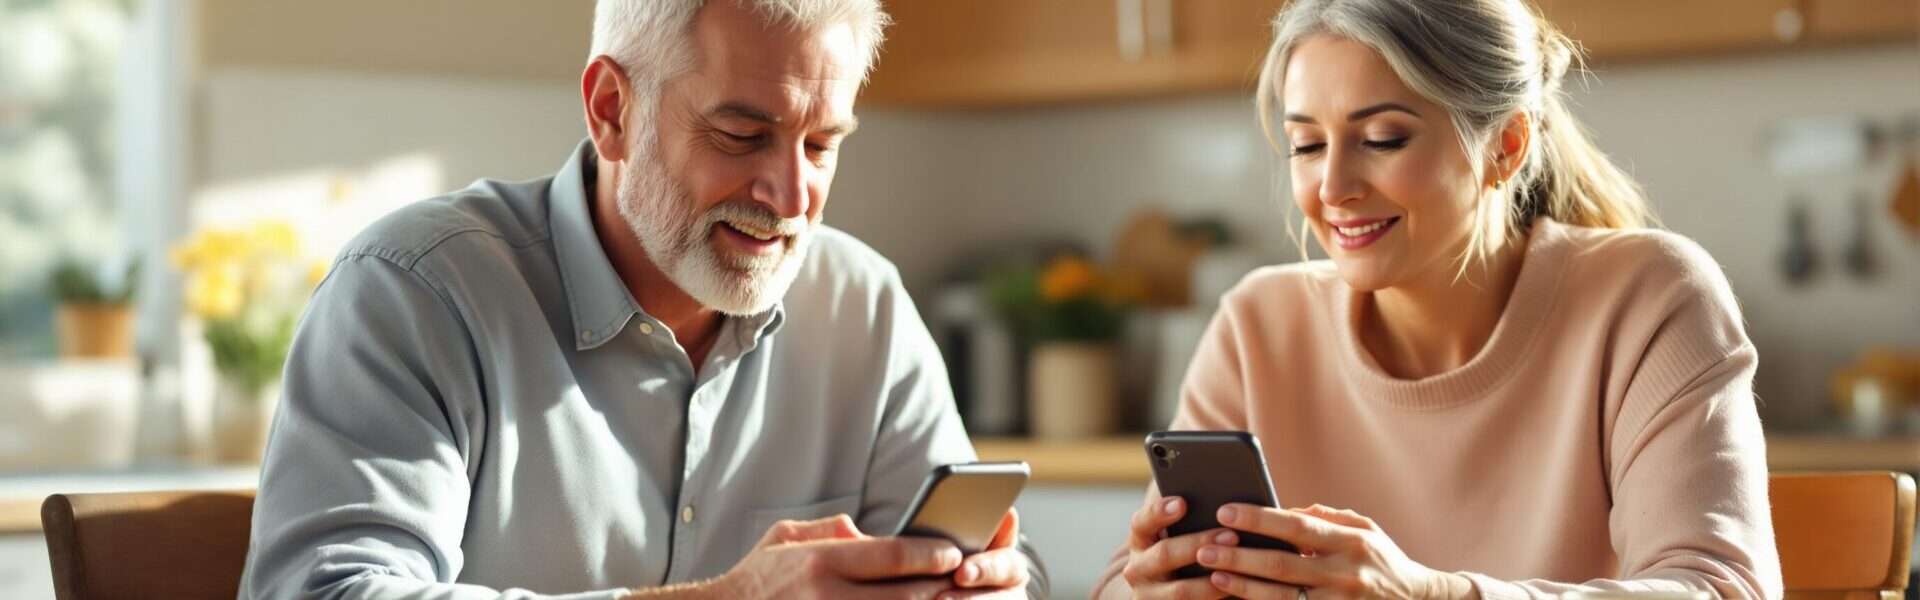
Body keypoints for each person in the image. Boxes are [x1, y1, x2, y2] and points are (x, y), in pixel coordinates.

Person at [238, 1, 1045, 598]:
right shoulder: (412, 293)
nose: (792, 193)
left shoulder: (865, 305)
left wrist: (991, 582)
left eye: (822, 144)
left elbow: (1007, 564)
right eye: (741, 136)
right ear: (611, 111)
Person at [1095, 0, 1780, 598]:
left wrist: (1438, 596)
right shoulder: (1257, 325)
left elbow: (1720, 589)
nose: (1332, 186)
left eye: (1382, 139)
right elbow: (1121, 582)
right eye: (1306, 145)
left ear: (1506, 145)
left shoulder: (1649, 300)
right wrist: (1153, 586)